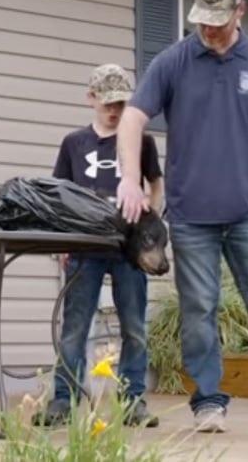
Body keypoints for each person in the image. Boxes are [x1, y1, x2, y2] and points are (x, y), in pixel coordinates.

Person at [114, 0, 248, 434]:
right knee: (199, 309)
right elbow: (132, 119)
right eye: (203, 20)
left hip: (247, 212)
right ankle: (209, 404)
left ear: (240, 10)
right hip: (191, 216)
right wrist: (130, 179)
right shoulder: (174, 61)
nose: (209, 29)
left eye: (218, 20)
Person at [32, 63, 164, 428]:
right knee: (75, 327)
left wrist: (152, 226)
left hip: (128, 251)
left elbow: (156, 184)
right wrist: (61, 239)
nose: (114, 110)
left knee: (134, 327)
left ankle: (133, 401)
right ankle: (65, 400)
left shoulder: (142, 140)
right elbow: (58, 194)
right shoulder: (75, 143)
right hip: (84, 248)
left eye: (121, 103)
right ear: (91, 98)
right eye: (106, 102)